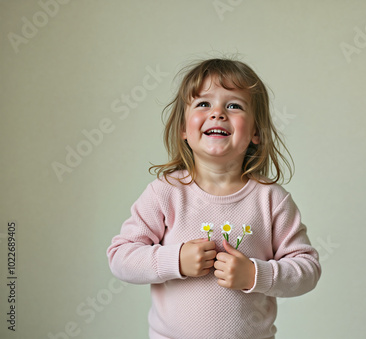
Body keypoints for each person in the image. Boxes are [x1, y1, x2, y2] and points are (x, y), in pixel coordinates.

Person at [107, 58, 321, 339]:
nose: (218, 113)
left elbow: (307, 270)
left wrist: (256, 275)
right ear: (184, 128)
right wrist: (176, 260)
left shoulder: (271, 200)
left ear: (255, 132)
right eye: (203, 104)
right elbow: (121, 257)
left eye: (234, 105)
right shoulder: (166, 192)